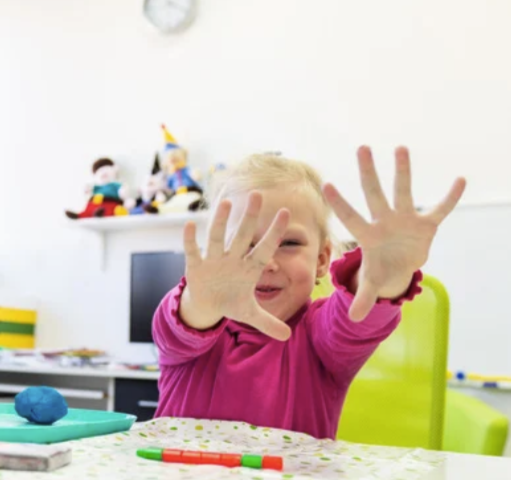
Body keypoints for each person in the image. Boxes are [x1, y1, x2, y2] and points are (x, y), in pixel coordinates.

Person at [152, 147, 465, 438]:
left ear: (321, 259)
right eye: (244, 244)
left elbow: (356, 317)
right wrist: (203, 300)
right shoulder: (194, 327)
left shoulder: (320, 336)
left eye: (289, 243)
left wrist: (384, 274)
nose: (267, 262)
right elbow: (182, 325)